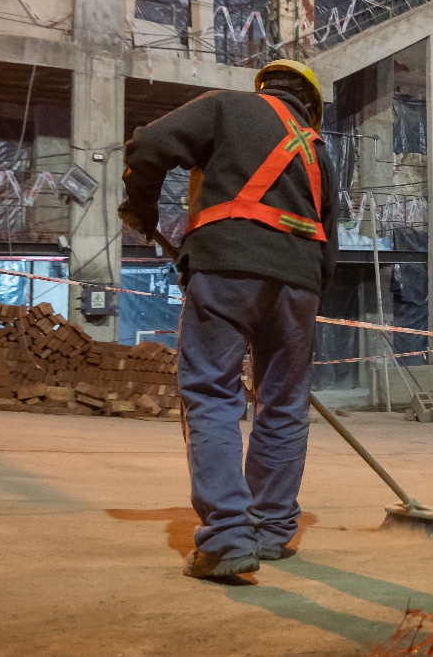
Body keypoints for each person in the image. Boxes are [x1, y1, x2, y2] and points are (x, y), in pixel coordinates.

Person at [119, 59, 338, 579]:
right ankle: (269, 530)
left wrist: (142, 207)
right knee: (284, 403)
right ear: (311, 106)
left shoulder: (225, 106)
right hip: (301, 282)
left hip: (227, 269)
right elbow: (331, 237)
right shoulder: (319, 151)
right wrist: (304, 298)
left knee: (213, 393)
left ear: (264, 86)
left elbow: (147, 146)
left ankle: (227, 538)